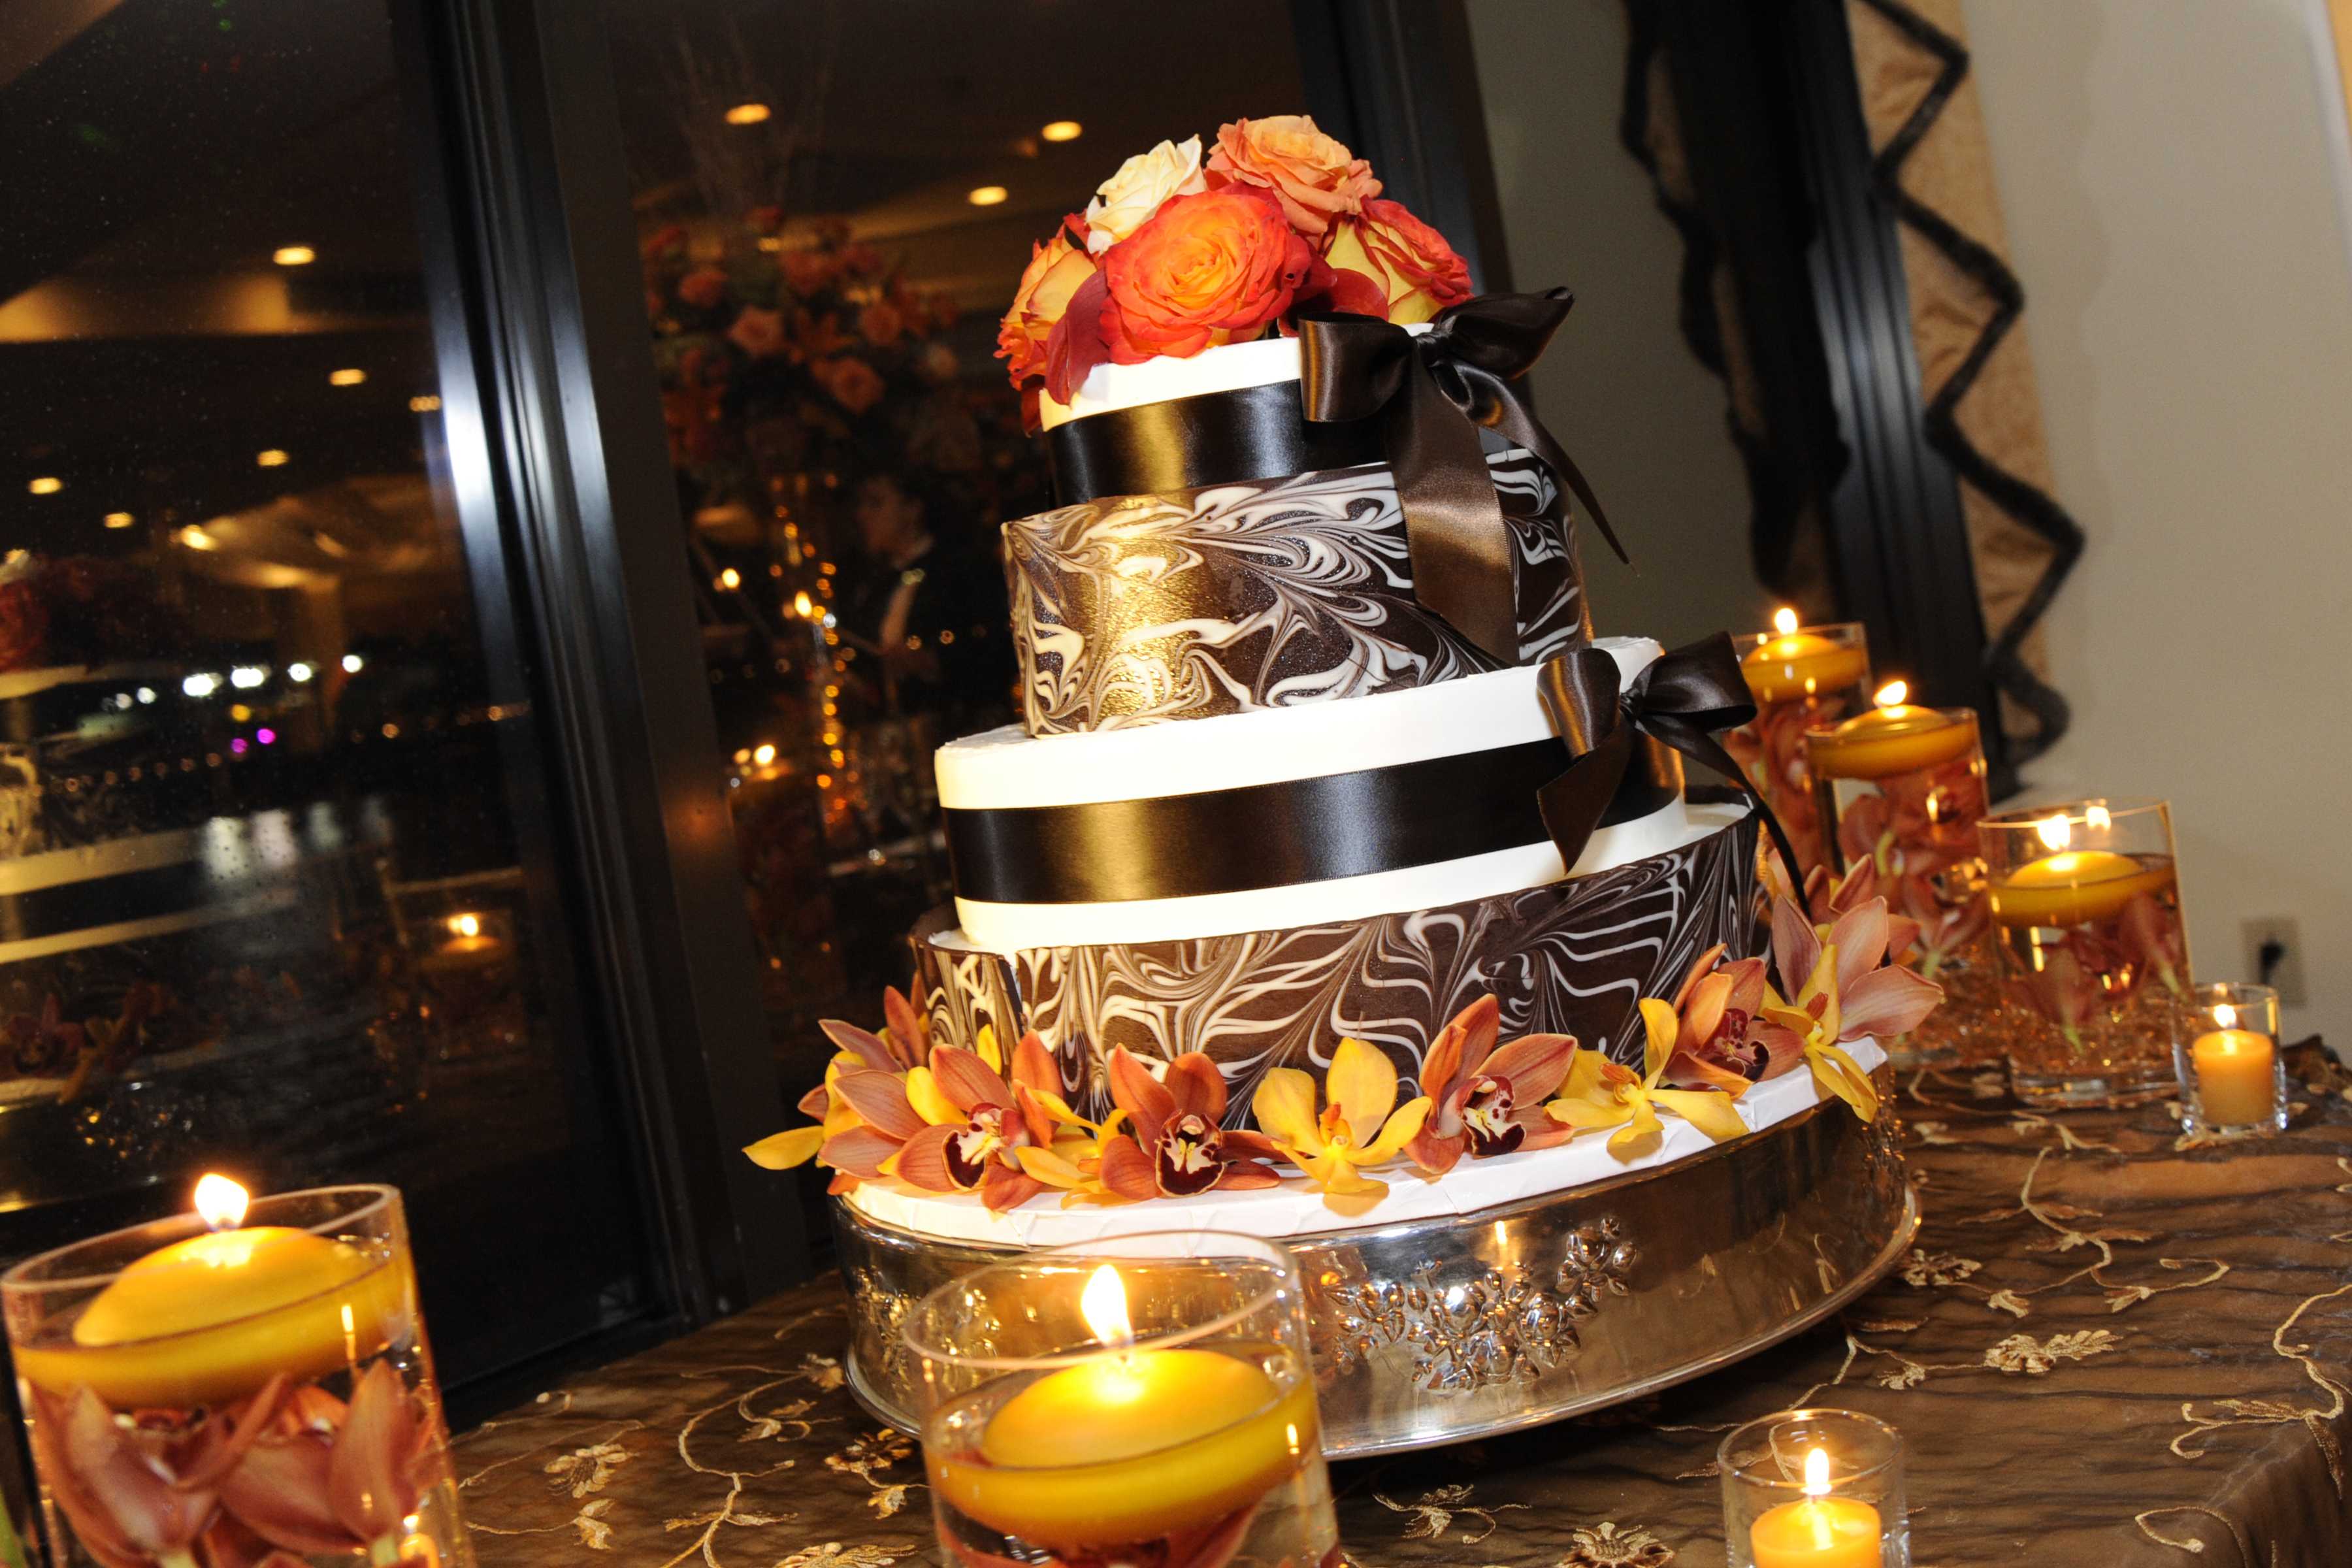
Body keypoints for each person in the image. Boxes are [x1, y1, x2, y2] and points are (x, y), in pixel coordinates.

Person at [836, 469, 1012, 733]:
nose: (862, 515)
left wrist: (935, 661)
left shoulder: (962, 569)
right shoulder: (874, 586)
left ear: (913, 509)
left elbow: (996, 647)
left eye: (876, 503)